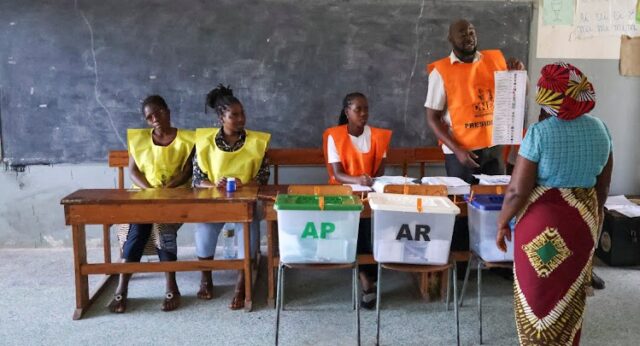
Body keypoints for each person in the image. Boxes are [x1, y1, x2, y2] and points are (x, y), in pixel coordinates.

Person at [496, 62, 613, 345]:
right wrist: (593, 221)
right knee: (570, 296)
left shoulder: (540, 133)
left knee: (538, 297)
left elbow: (516, 191)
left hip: (540, 226)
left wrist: (501, 223)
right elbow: (603, 185)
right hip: (581, 225)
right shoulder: (601, 129)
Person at [109, 95, 195, 313]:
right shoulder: (139, 140)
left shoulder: (187, 139)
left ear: (168, 111)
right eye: (149, 116)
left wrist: (166, 191)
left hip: (175, 197)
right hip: (144, 196)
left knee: (161, 224)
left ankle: (171, 286)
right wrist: (151, 191)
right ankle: (122, 288)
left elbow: (187, 172)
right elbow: (133, 170)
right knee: (136, 226)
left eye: (159, 112)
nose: (155, 118)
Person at [192, 84, 270, 310]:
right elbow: (197, 179)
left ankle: (242, 281)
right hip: (214, 201)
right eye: (233, 115)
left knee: (249, 225)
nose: (240, 119)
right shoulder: (205, 142)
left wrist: (244, 185)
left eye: (242, 113)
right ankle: (206, 277)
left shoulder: (257, 142)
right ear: (220, 117)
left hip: (245, 201)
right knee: (205, 228)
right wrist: (214, 184)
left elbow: (263, 177)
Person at [424, 18, 525, 183]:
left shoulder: (494, 61)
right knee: (463, 203)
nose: (468, 37)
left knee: (494, 202)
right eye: (462, 34)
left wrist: (519, 73)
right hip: (462, 155)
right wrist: (457, 150)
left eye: (471, 32)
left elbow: (521, 92)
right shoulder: (441, 72)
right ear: (450, 39)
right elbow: (432, 118)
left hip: (494, 150)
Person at [322, 92, 392, 309]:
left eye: (366, 109)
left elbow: (379, 171)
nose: (363, 114)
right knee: (358, 226)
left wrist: (370, 183)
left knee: (375, 225)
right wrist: (358, 179)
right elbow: (337, 173)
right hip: (344, 193)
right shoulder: (334, 136)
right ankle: (366, 281)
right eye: (358, 109)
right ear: (347, 112)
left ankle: (368, 273)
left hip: (371, 192)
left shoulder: (379, 136)